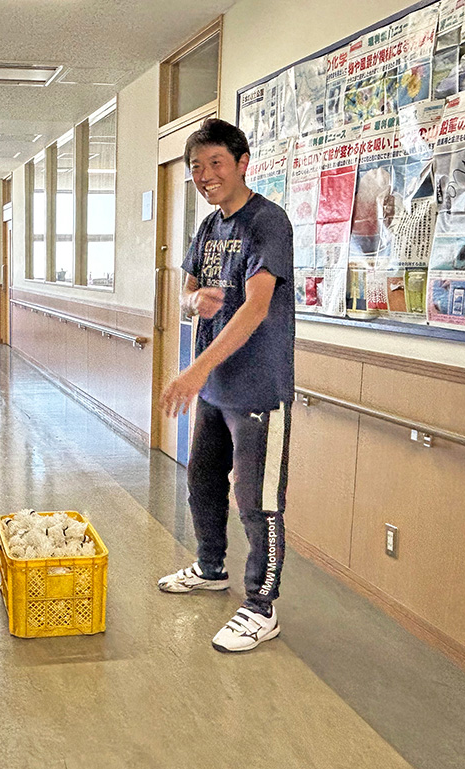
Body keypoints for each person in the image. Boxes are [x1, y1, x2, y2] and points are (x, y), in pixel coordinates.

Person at [158, 118, 295, 653]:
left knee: (257, 501)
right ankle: (211, 567)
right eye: (196, 167)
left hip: (259, 387)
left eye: (216, 163)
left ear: (242, 163)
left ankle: (262, 606)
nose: (205, 174)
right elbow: (186, 291)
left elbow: (257, 306)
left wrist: (194, 369)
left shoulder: (268, 222)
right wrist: (195, 303)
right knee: (203, 482)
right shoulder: (210, 227)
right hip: (214, 388)